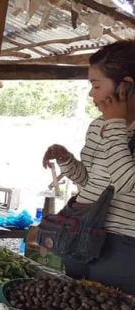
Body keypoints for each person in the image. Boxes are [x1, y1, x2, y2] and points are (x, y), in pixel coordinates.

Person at [42, 40, 135, 293]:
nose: (92, 94)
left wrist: (115, 124)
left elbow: (126, 184)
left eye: (96, 85)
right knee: (80, 307)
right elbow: (91, 182)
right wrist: (66, 160)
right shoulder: (98, 126)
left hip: (124, 246)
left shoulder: (110, 124)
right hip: (83, 235)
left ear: (125, 85)